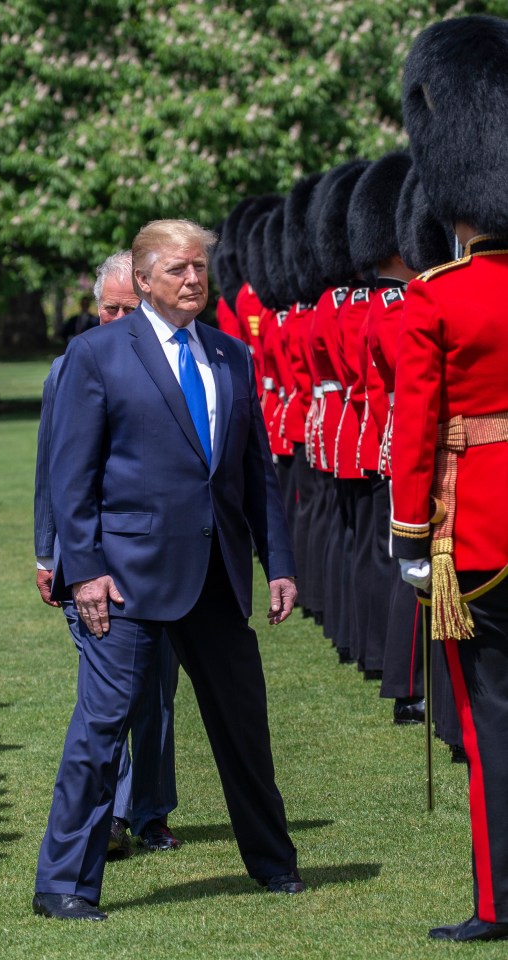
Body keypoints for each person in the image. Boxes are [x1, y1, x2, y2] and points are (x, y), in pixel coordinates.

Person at [33, 218, 302, 922]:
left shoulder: (231, 355)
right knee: (100, 731)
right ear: (145, 279)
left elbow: (254, 474)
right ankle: (64, 882)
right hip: (123, 581)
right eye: (178, 269)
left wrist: (277, 563)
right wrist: (85, 572)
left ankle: (274, 865)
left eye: (200, 269)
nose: (193, 280)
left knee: (245, 728)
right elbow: (72, 478)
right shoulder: (97, 356)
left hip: (215, 577)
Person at [392, 15, 508, 942]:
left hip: (476, 534)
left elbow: (416, 428)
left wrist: (405, 539)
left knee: (491, 725)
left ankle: (498, 902)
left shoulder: (438, 298)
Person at [34, 250, 181, 859]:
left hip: (156, 557)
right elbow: (54, 470)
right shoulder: (73, 364)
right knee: (110, 691)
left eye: (129, 309)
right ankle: (115, 815)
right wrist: (49, 553)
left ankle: (148, 809)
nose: (116, 318)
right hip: (89, 555)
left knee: (158, 691)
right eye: (108, 308)